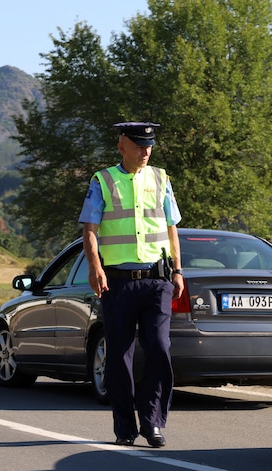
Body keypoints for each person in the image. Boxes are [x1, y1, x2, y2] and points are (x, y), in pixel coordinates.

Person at [79, 121, 184, 448]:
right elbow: (90, 230)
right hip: (118, 284)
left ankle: (152, 422)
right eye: (139, 145)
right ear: (122, 144)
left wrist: (178, 271)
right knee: (119, 357)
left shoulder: (161, 178)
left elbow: (172, 229)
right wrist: (95, 267)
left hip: (157, 281)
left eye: (149, 146)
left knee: (159, 347)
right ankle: (125, 426)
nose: (146, 152)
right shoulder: (103, 180)